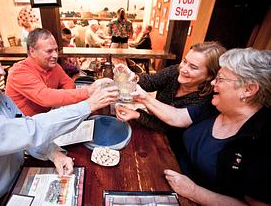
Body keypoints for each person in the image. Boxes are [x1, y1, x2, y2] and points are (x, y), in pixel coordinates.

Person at [0, 36, 118, 205]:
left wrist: (53, 153)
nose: (1, 72)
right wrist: (89, 104)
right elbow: (30, 129)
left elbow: (21, 129)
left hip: (18, 186)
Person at [116, 48, 271, 205]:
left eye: (221, 79)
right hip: (169, 170)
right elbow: (178, 117)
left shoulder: (262, 140)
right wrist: (143, 98)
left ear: (248, 90)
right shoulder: (216, 105)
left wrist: (193, 191)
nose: (213, 83)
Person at [114, 41, 227, 160]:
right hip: (153, 129)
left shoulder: (206, 100)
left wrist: (137, 114)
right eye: (184, 61)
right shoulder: (176, 71)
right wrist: (132, 76)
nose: (183, 69)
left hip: (172, 148)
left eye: (193, 67)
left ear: (210, 76)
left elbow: (168, 128)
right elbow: (151, 82)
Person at [5, 28, 110, 116]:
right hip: (23, 125)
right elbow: (45, 97)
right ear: (32, 51)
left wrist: (64, 101)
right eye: (49, 51)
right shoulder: (19, 72)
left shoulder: (54, 67)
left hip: (45, 119)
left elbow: (68, 84)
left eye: (56, 50)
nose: (55, 55)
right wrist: (88, 91)